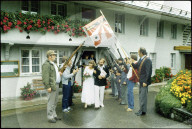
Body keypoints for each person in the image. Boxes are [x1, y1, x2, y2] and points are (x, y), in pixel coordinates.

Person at [129, 47, 152, 116]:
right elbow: (136, 66)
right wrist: (131, 63)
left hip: (144, 82)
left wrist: (146, 82)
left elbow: (148, 72)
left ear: (141, 52)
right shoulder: (141, 59)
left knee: (143, 97)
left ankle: (142, 111)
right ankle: (142, 110)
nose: (138, 53)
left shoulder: (147, 60)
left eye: (138, 52)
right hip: (140, 81)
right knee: (141, 96)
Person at [42, 50, 62, 123]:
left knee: (55, 101)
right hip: (51, 86)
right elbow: (45, 77)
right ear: (50, 56)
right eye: (54, 55)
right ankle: (50, 117)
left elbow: (55, 74)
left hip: (56, 84)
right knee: (51, 102)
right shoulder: (46, 64)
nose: (55, 56)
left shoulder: (54, 64)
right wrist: (48, 87)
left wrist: (59, 73)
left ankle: (54, 115)